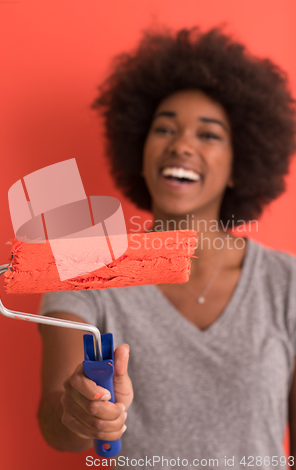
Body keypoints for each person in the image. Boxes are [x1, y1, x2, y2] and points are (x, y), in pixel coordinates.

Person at [37, 26, 296, 469]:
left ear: (241, 162)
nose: (181, 145)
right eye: (164, 129)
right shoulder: (85, 270)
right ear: (139, 150)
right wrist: (80, 414)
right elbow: (55, 423)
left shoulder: (286, 283)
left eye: (209, 135)